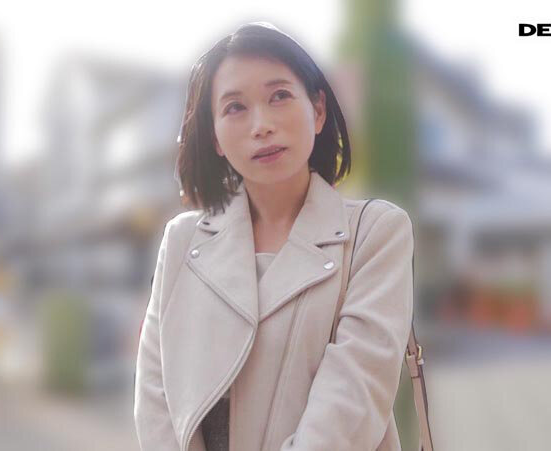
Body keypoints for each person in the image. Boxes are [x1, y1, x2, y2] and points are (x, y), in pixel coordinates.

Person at [134, 22, 414, 451]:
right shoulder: (181, 240)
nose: (261, 125)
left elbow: (354, 394)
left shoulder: (376, 233)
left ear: (317, 110)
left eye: (279, 96)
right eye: (235, 107)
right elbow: (155, 396)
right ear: (215, 137)